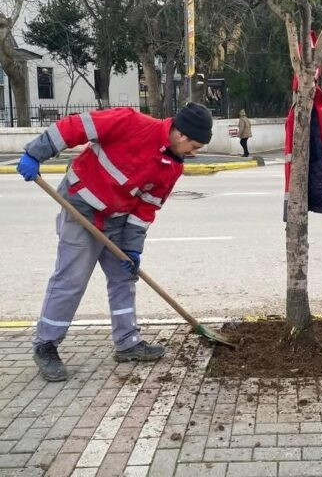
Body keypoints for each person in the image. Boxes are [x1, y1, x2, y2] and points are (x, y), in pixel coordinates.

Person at [16, 103, 213, 381]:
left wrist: (132, 248)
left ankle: (127, 341)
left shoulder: (172, 166)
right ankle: (45, 345)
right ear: (181, 135)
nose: (194, 153)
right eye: (195, 145)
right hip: (81, 206)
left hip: (117, 221)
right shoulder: (129, 121)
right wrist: (36, 153)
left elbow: (147, 207)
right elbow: (74, 127)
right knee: (71, 279)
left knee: (124, 276)